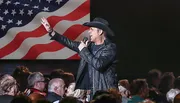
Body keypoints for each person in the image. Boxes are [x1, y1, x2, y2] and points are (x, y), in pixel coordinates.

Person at [41, 17, 118, 99]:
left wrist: (84, 50)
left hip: (105, 93)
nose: (89, 31)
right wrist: (52, 32)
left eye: (92, 29)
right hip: (92, 92)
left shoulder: (110, 48)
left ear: (100, 32)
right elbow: (70, 43)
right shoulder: (89, 46)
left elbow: (99, 65)